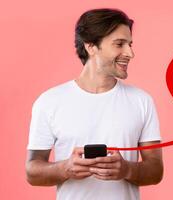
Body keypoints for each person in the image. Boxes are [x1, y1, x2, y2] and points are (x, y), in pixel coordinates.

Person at [25, 8, 163, 200]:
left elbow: (156, 170)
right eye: (119, 44)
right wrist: (65, 168)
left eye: (130, 44)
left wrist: (127, 170)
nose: (130, 53)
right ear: (91, 46)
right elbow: (32, 171)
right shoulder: (49, 102)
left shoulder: (142, 101)